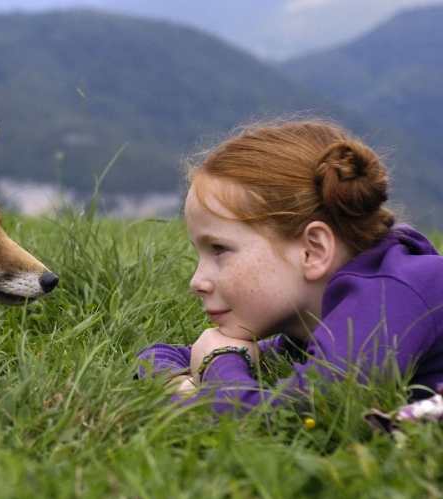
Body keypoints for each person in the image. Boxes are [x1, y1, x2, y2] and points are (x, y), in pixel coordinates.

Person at [138, 119, 443, 414]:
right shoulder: (313, 320)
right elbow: (157, 356)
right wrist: (183, 383)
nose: (197, 282)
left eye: (219, 249)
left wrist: (218, 363)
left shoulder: (386, 302)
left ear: (313, 251)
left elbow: (289, 417)